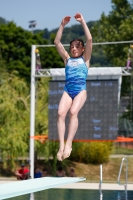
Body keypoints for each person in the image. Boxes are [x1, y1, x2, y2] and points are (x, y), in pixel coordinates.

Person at [54, 13, 92, 161]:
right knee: (60, 113)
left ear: (82, 49)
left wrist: (82, 21)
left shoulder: (85, 59)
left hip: (80, 90)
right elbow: (57, 42)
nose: (74, 49)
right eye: (72, 47)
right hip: (68, 90)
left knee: (73, 112)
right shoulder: (67, 59)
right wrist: (62, 25)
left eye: (77, 47)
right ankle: (61, 146)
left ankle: (69, 143)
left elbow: (89, 39)